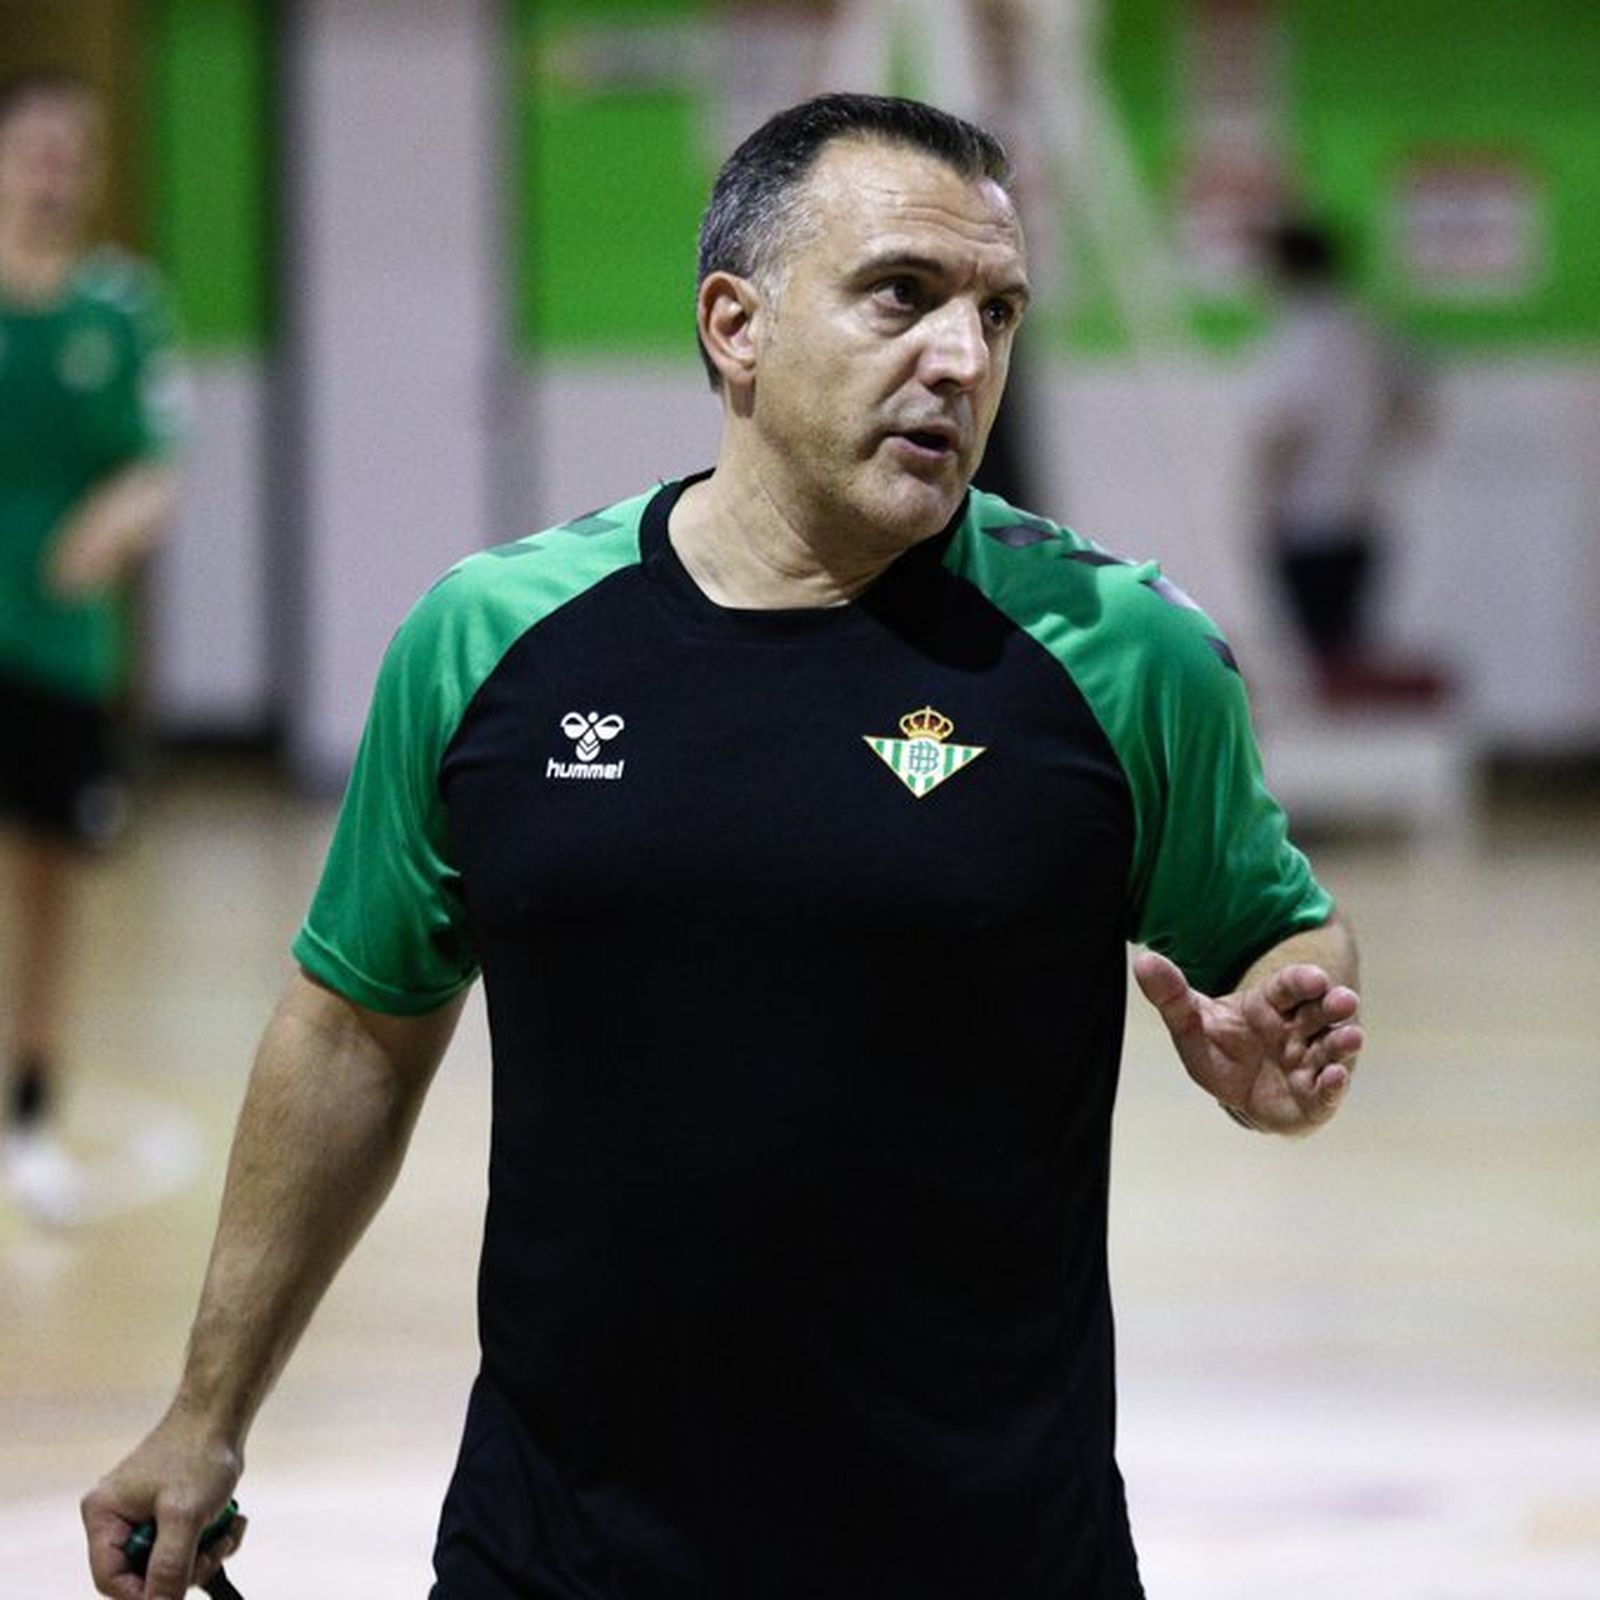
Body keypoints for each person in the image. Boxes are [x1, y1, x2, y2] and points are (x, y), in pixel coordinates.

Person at [84, 93, 1362, 1599]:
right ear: (733, 326)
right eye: (903, 295)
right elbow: (355, 1024)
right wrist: (205, 1414)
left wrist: (1285, 1036)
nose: (962, 358)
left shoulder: (1121, 652)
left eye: (997, 313)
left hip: (986, 1554)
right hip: (560, 1551)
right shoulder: (491, 641)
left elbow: (1280, 937)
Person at [0, 72, 183, 1226]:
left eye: (77, 150)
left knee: (49, 886)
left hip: (61, 642)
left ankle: (28, 1113)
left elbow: (157, 457)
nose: (57, 168)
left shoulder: (123, 306)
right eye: (36, 147)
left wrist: (123, 514)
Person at [1253, 214, 1438, 700]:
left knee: (1316, 660)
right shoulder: (1368, 328)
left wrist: (1264, 494)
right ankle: (1366, 763)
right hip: (1361, 510)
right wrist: (1369, 453)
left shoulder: (1298, 334)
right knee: (1348, 654)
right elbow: (1415, 407)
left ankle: (1338, 765)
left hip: (1307, 516)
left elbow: (1288, 425)